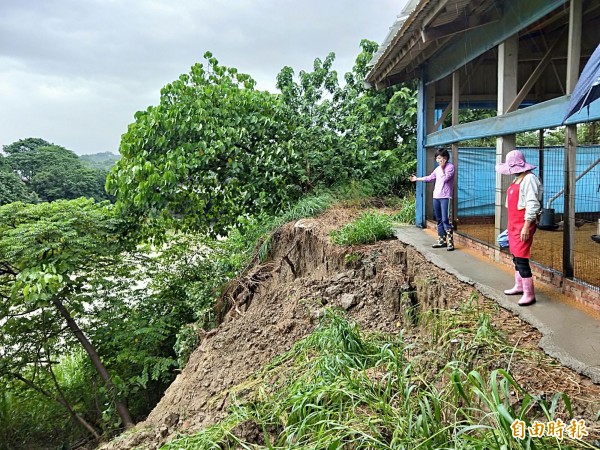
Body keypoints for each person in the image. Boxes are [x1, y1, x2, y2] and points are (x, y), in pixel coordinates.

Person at [495, 150, 543, 306]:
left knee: (521, 258)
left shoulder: (529, 179)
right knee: (515, 255)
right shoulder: (517, 180)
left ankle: (529, 294)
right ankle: (519, 285)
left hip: (523, 224)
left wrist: (526, 226)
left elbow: (532, 204)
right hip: (513, 223)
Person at [409, 148, 455, 251]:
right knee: (438, 219)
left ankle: (450, 243)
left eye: (440, 158)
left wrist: (443, 167)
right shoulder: (437, 169)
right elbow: (430, 178)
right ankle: (441, 241)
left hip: (445, 197)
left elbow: (445, 179)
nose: (438, 160)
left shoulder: (450, 167)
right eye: (437, 158)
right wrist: (417, 179)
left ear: (446, 158)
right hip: (436, 197)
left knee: (445, 219)